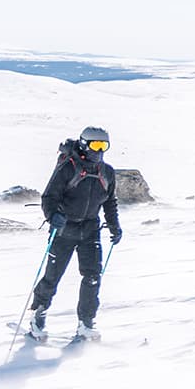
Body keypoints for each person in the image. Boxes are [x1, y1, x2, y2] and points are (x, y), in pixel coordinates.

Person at [26, 126, 123, 341]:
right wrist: (53, 217)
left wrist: (114, 225)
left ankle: (86, 323)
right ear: (83, 144)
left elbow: (110, 202)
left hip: (90, 231)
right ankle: (37, 315)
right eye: (95, 145)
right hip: (64, 231)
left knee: (92, 277)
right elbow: (49, 197)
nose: (98, 151)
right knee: (53, 277)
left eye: (103, 146)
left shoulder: (106, 172)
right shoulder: (68, 168)